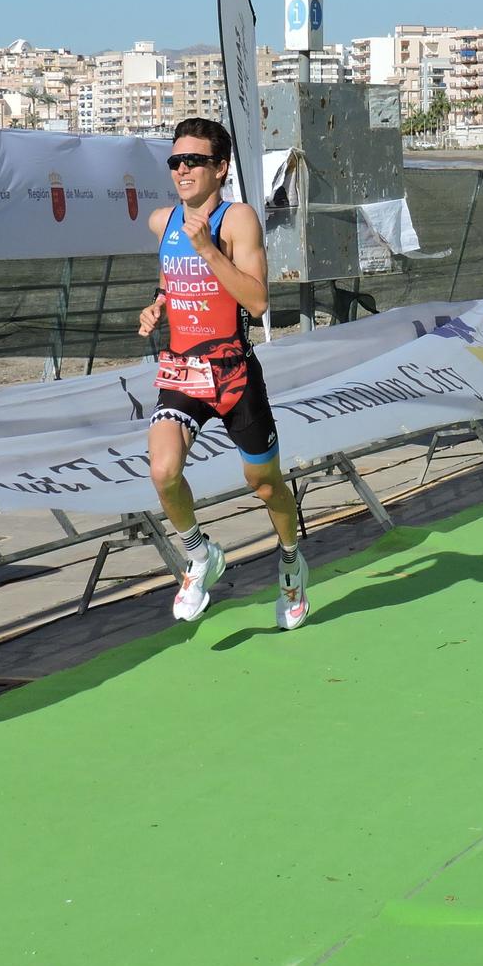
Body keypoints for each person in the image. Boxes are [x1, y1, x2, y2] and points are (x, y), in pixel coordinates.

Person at [138, 117, 309, 630]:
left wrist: (208, 248)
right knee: (163, 471)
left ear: (221, 168)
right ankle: (199, 554)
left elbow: (257, 301)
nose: (182, 169)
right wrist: (159, 305)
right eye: (175, 161)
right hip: (183, 369)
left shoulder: (238, 221)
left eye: (194, 161)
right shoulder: (161, 221)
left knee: (264, 483)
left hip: (233, 373)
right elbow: (179, 281)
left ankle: (290, 559)